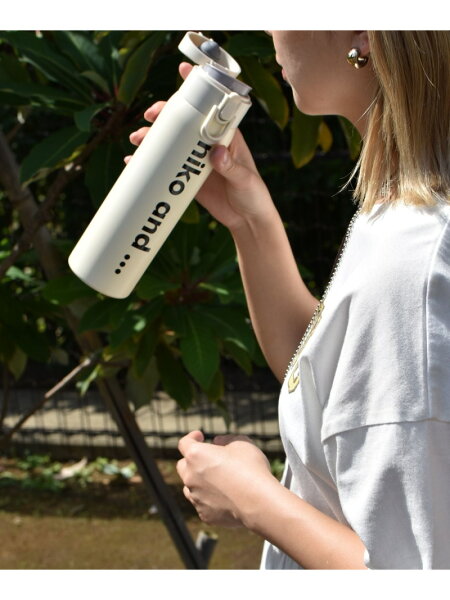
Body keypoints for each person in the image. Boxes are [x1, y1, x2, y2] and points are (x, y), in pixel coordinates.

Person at [127, 31, 450, 569]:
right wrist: (249, 218)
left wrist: (251, 498)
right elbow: (333, 378)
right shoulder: (409, 217)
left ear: (364, 34)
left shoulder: (415, 259)